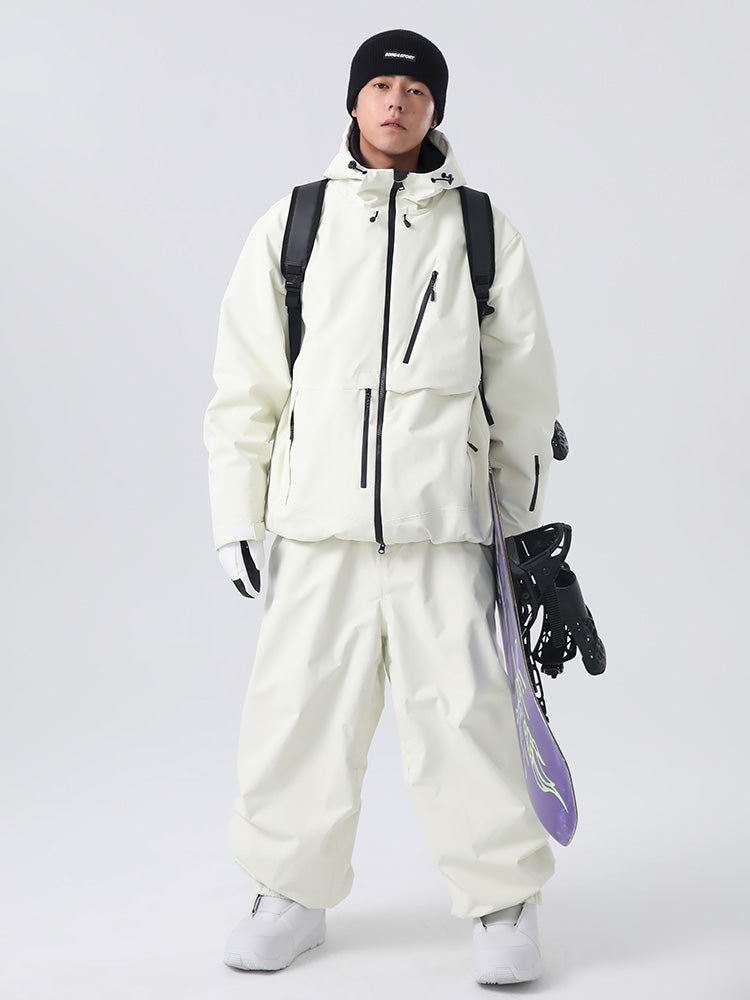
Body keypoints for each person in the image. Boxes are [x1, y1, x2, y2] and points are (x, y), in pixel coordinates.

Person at [204, 28, 560, 985]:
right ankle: (288, 893)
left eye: (415, 89)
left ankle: (501, 899)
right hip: (317, 528)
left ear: (435, 109)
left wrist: (526, 530)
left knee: (467, 718)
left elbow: (523, 393)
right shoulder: (297, 222)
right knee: (297, 711)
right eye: (380, 86)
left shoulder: (480, 229)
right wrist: (237, 510)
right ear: (355, 101)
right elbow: (247, 383)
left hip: (441, 527)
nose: (396, 102)